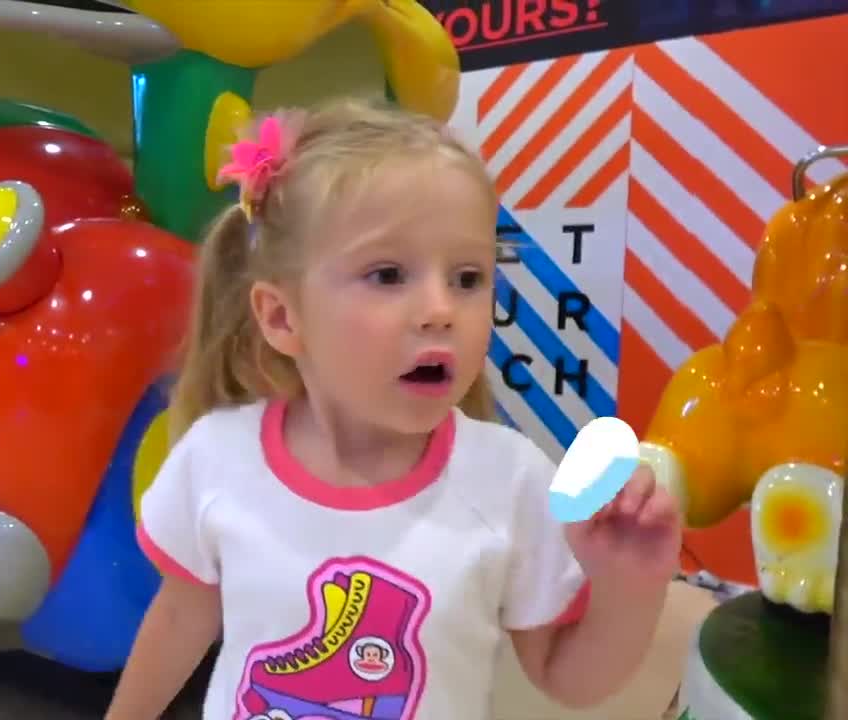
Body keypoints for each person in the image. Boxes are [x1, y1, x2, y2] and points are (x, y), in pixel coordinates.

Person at [104, 96, 682, 720]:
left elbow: (566, 679)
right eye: (387, 275)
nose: (440, 310)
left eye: (467, 279)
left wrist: (630, 587)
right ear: (282, 317)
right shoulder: (218, 457)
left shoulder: (509, 479)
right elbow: (180, 617)